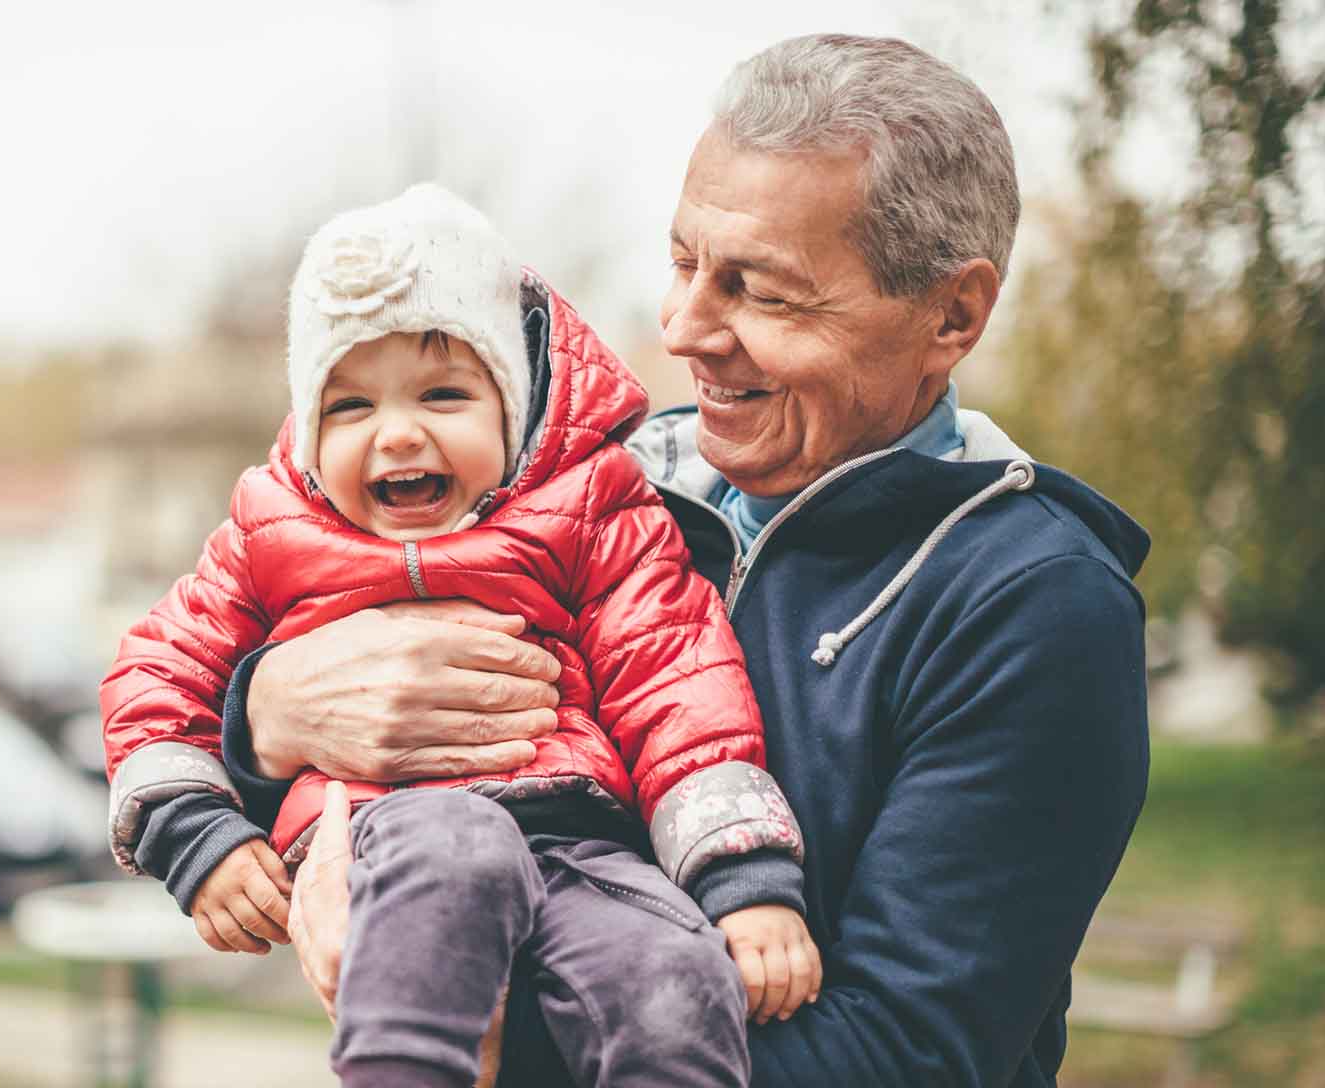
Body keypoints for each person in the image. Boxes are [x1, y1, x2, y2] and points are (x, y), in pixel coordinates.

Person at [219, 35, 1152, 1088]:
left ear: (952, 313)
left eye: (763, 292)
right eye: (683, 262)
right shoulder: (592, 489)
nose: (683, 327)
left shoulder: (1035, 604)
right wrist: (267, 713)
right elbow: (279, 626)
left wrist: (440, 1006)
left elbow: (902, 1052)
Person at [101, 182, 817, 1087]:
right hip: (385, 830)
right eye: (349, 407)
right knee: (458, 848)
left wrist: (741, 880)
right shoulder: (271, 527)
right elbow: (159, 674)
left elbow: (676, 678)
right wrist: (196, 831)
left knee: (673, 978)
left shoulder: (591, 509)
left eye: (443, 395)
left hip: (578, 844)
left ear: (511, 410)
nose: (397, 435)